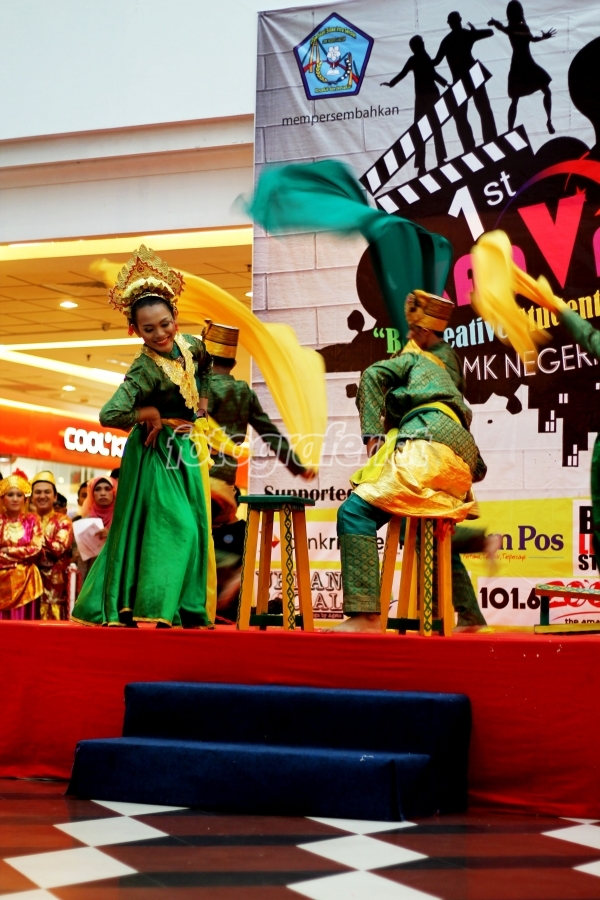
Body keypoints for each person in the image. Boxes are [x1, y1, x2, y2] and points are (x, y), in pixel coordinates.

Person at [71, 245, 214, 628]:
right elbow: (110, 414)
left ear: (175, 316)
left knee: (184, 527)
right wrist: (149, 414)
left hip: (185, 449)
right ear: (134, 330)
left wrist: (201, 404)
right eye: (149, 329)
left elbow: (207, 367)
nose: (160, 334)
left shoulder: (192, 345)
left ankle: (163, 606)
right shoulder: (143, 370)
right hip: (154, 453)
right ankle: (158, 607)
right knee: (179, 526)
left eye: (165, 324)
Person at [335, 291, 488, 633]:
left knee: (354, 513)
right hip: (460, 451)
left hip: (426, 441)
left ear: (422, 332)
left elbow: (372, 376)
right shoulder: (446, 366)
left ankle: (365, 614)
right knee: (424, 530)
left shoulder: (416, 358)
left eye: (413, 330)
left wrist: (372, 434)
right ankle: (466, 612)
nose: (409, 335)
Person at [205, 321, 312, 617]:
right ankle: (225, 584)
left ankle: (223, 577)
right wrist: (297, 466)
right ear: (233, 363)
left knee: (192, 540)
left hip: (198, 478)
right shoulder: (243, 392)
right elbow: (269, 433)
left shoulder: (199, 391)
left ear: (205, 359)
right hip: (226, 486)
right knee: (214, 536)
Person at [381, 36, 448, 175]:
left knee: (422, 131)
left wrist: (392, 83)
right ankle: (437, 160)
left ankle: (423, 165)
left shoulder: (415, 59)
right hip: (430, 95)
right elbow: (432, 74)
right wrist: (445, 83)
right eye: (421, 43)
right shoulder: (423, 58)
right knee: (433, 128)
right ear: (419, 45)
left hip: (423, 97)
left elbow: (404, 73)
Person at [431, 12, 497, 150]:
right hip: (472, 75)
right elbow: (490, 32)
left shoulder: (447, 40)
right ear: (460, 20)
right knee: (483, 110)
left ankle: (470, 147)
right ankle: (489, 141)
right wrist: (475, 32)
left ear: (450, 23)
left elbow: (436, 61)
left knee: (462, 116)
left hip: (461, 79)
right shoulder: (466, 34)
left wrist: (422, 63)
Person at [488, 1, 556, 133]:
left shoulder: (513, 28)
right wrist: (543, 38)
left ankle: (510, 129)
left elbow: (502, 27)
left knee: (515, 100)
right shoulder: (522, 28)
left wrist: (495, 22)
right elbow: (532, 39)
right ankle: (548, 121)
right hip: (527, 64)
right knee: (545, 92)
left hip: (519, 65)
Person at [30, 471, 74, 621]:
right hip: (28, 590)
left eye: (47, 492)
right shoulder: (27, 519)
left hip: (54, 591)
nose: (42, 496)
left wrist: (34, 535)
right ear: (32, 497)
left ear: (55, 497)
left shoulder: (63, 521)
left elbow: (58, 548)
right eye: (38, 492)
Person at [0, 474, 43, 619]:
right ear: (2, 498)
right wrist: (22, 559)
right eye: (10, 495)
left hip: (28, 582)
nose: (15, 499)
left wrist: (8, 550)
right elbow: (29, 551)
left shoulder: (33, 520)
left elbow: (36, 549)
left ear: (25, 499)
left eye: (19, 495)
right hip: (2, 583)